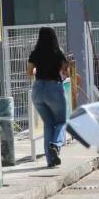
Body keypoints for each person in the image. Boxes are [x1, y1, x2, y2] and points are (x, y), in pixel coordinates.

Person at [27, 27, 68, 167]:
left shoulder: (35, 53)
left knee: (48, 124)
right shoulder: (58, 52)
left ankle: (50, 161)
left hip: (37, 90)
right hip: (54, 88)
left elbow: (29, 72)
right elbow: (65, 70)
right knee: (61, 122)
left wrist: (39, 69)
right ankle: (56, 145)